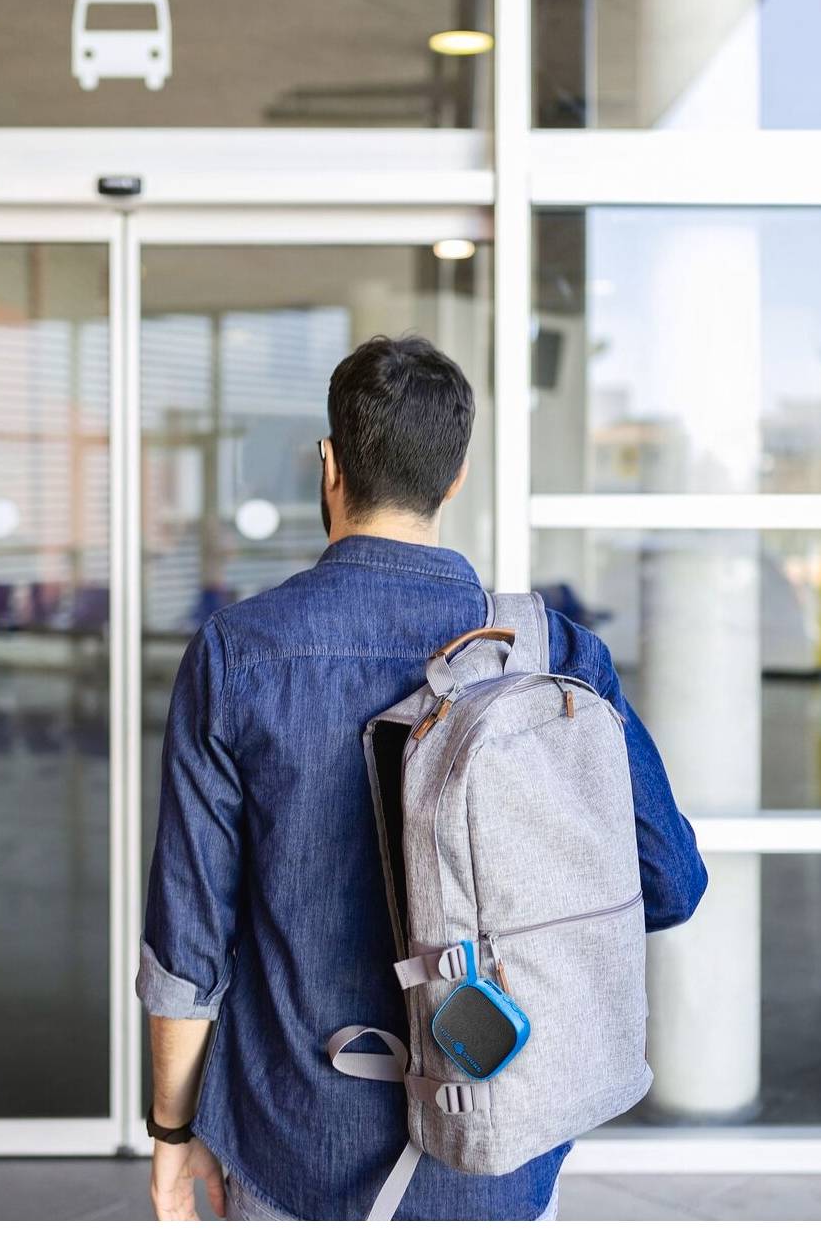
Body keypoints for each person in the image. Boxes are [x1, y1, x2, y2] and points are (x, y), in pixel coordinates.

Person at [137, 334, 708, 1221]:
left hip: (295, 1137)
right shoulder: (553, 655)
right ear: (456, 475)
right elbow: (670, 883)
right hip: (500, 1136)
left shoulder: (239, 652)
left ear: (327, 465)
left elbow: (188, 949)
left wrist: (172, 1135)